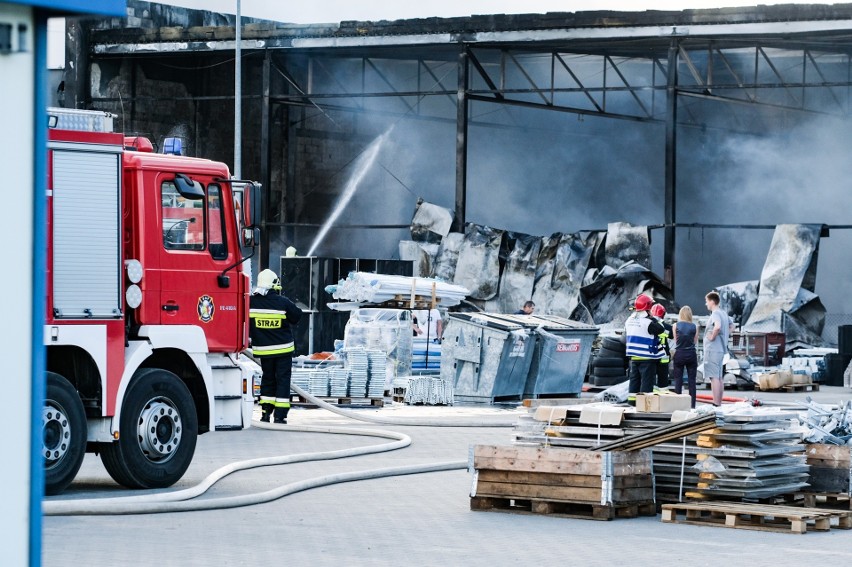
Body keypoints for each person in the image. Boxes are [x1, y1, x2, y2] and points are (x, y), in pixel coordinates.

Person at [249, 268, 303, 424]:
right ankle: (279, 416)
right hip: (283, 350)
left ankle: (265, 413)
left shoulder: (251, 302)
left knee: (268, 379)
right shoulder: (283, 302)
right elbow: (297, 316)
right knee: (283, 381)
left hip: (264, 351)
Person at [625, 294, 666, 397]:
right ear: (647, 308)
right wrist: (654, 318)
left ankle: (632, 402)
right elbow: (661, 329)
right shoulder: (648, 323)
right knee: (647, 384)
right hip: (647, 358)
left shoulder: (629, 321)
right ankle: (644, 405)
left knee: (634, 382)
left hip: (634, 358)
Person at [704, 291, 734, 407]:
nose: (706, 304)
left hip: (713, 349)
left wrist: (712, 336)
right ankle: (719, 403)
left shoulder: (715, 313)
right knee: (719, 377)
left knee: (714, 377)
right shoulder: (724, 313)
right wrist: (725, 335)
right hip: (721, 349)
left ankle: (716, 403)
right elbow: (732, 326)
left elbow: (717, 326)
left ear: (712, 301)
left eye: (706, 302)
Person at [671, 305, 699, 408]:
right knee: (692, 381)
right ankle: (692, 406)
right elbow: (695, 341)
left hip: (679, 354)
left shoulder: (675, 325)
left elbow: (676, 341)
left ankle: (678, 405)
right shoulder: (695, 326)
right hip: (691, 354)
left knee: (678, 380)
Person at [650, 303, 672, 388]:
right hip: (664, 357)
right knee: (663, 381)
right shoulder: (667, 327)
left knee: (650, 380)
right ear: (663, 314)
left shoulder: (649, 324)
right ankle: (663, 396)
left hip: (651, 355)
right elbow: (672, 335)